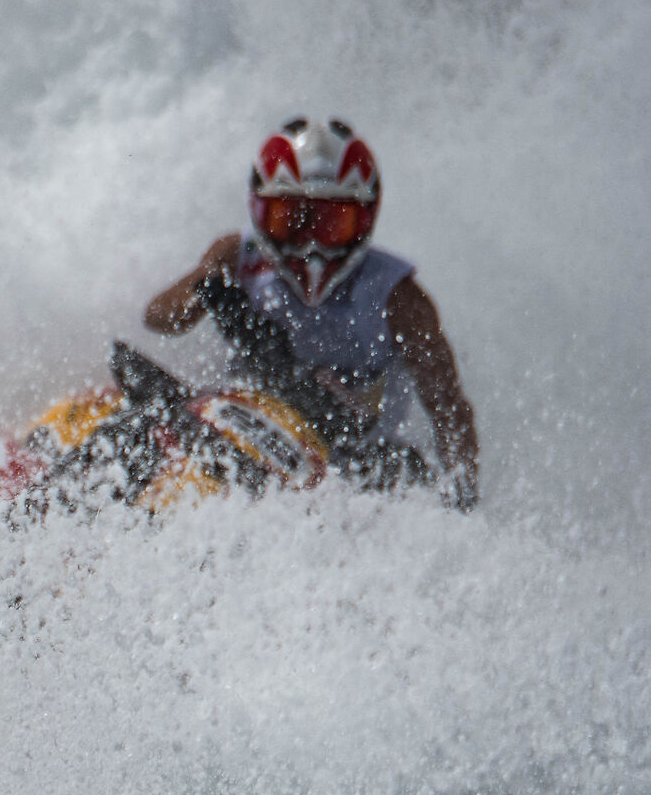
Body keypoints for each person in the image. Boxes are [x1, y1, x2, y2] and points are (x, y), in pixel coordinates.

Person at [143, 117, 478, 507]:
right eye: (292, 221)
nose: (311, 247)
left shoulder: (398, 298)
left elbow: (448, 408)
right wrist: (204, 284)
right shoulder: (236, 257)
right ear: (258, 209)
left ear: (365, 218)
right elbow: (160, 318)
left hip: (357, 468)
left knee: (403, 468)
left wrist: (462, 502)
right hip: (248, 432)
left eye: (332, 224)